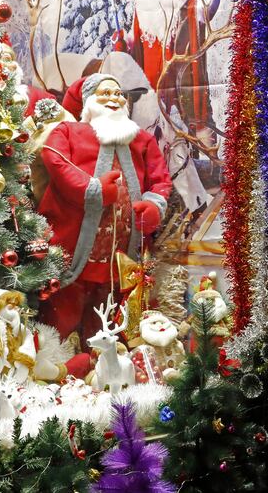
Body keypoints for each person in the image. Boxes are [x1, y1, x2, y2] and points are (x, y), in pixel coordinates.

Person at [37, 73, 172, 343]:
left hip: (122, 259)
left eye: (118, 94)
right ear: (88, 101)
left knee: (112, 323)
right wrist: (92, 189)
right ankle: (59, 367)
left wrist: (154, 206)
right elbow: (55, 160)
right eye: (105, 93)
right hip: (73, 250)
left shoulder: (141, 140)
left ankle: (110, 369)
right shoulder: (68, 132)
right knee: (62, 319)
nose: (114, 98)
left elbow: (160, 180)